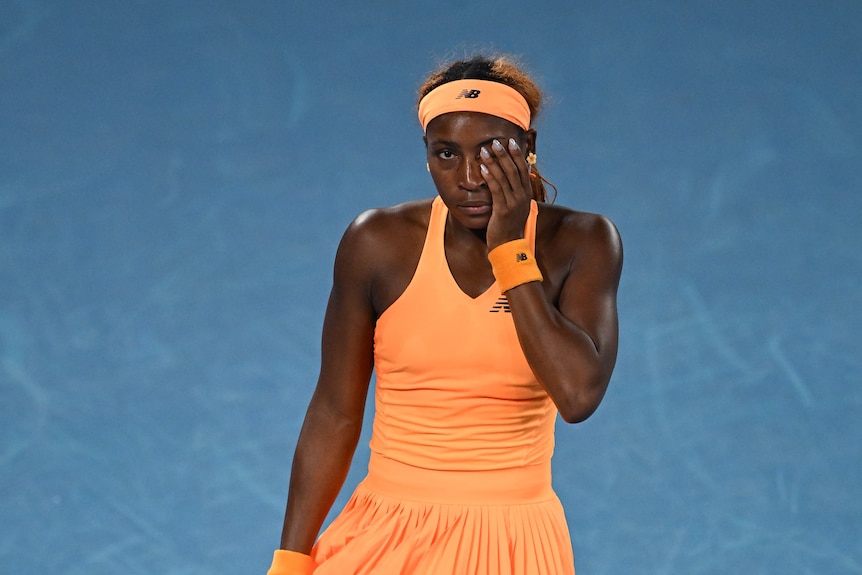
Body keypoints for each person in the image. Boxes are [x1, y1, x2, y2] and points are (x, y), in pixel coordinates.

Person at [266, 53, 623, 575]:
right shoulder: (376, 242)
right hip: (385, 535)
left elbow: (577, 395)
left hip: (515, 543)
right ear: (427, 157)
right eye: (447, 154)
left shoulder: (584, 242)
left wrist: (511, 252)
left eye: (491, 152)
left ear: (528, 149)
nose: (471, 177)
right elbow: (334, 412)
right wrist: (290, 561)